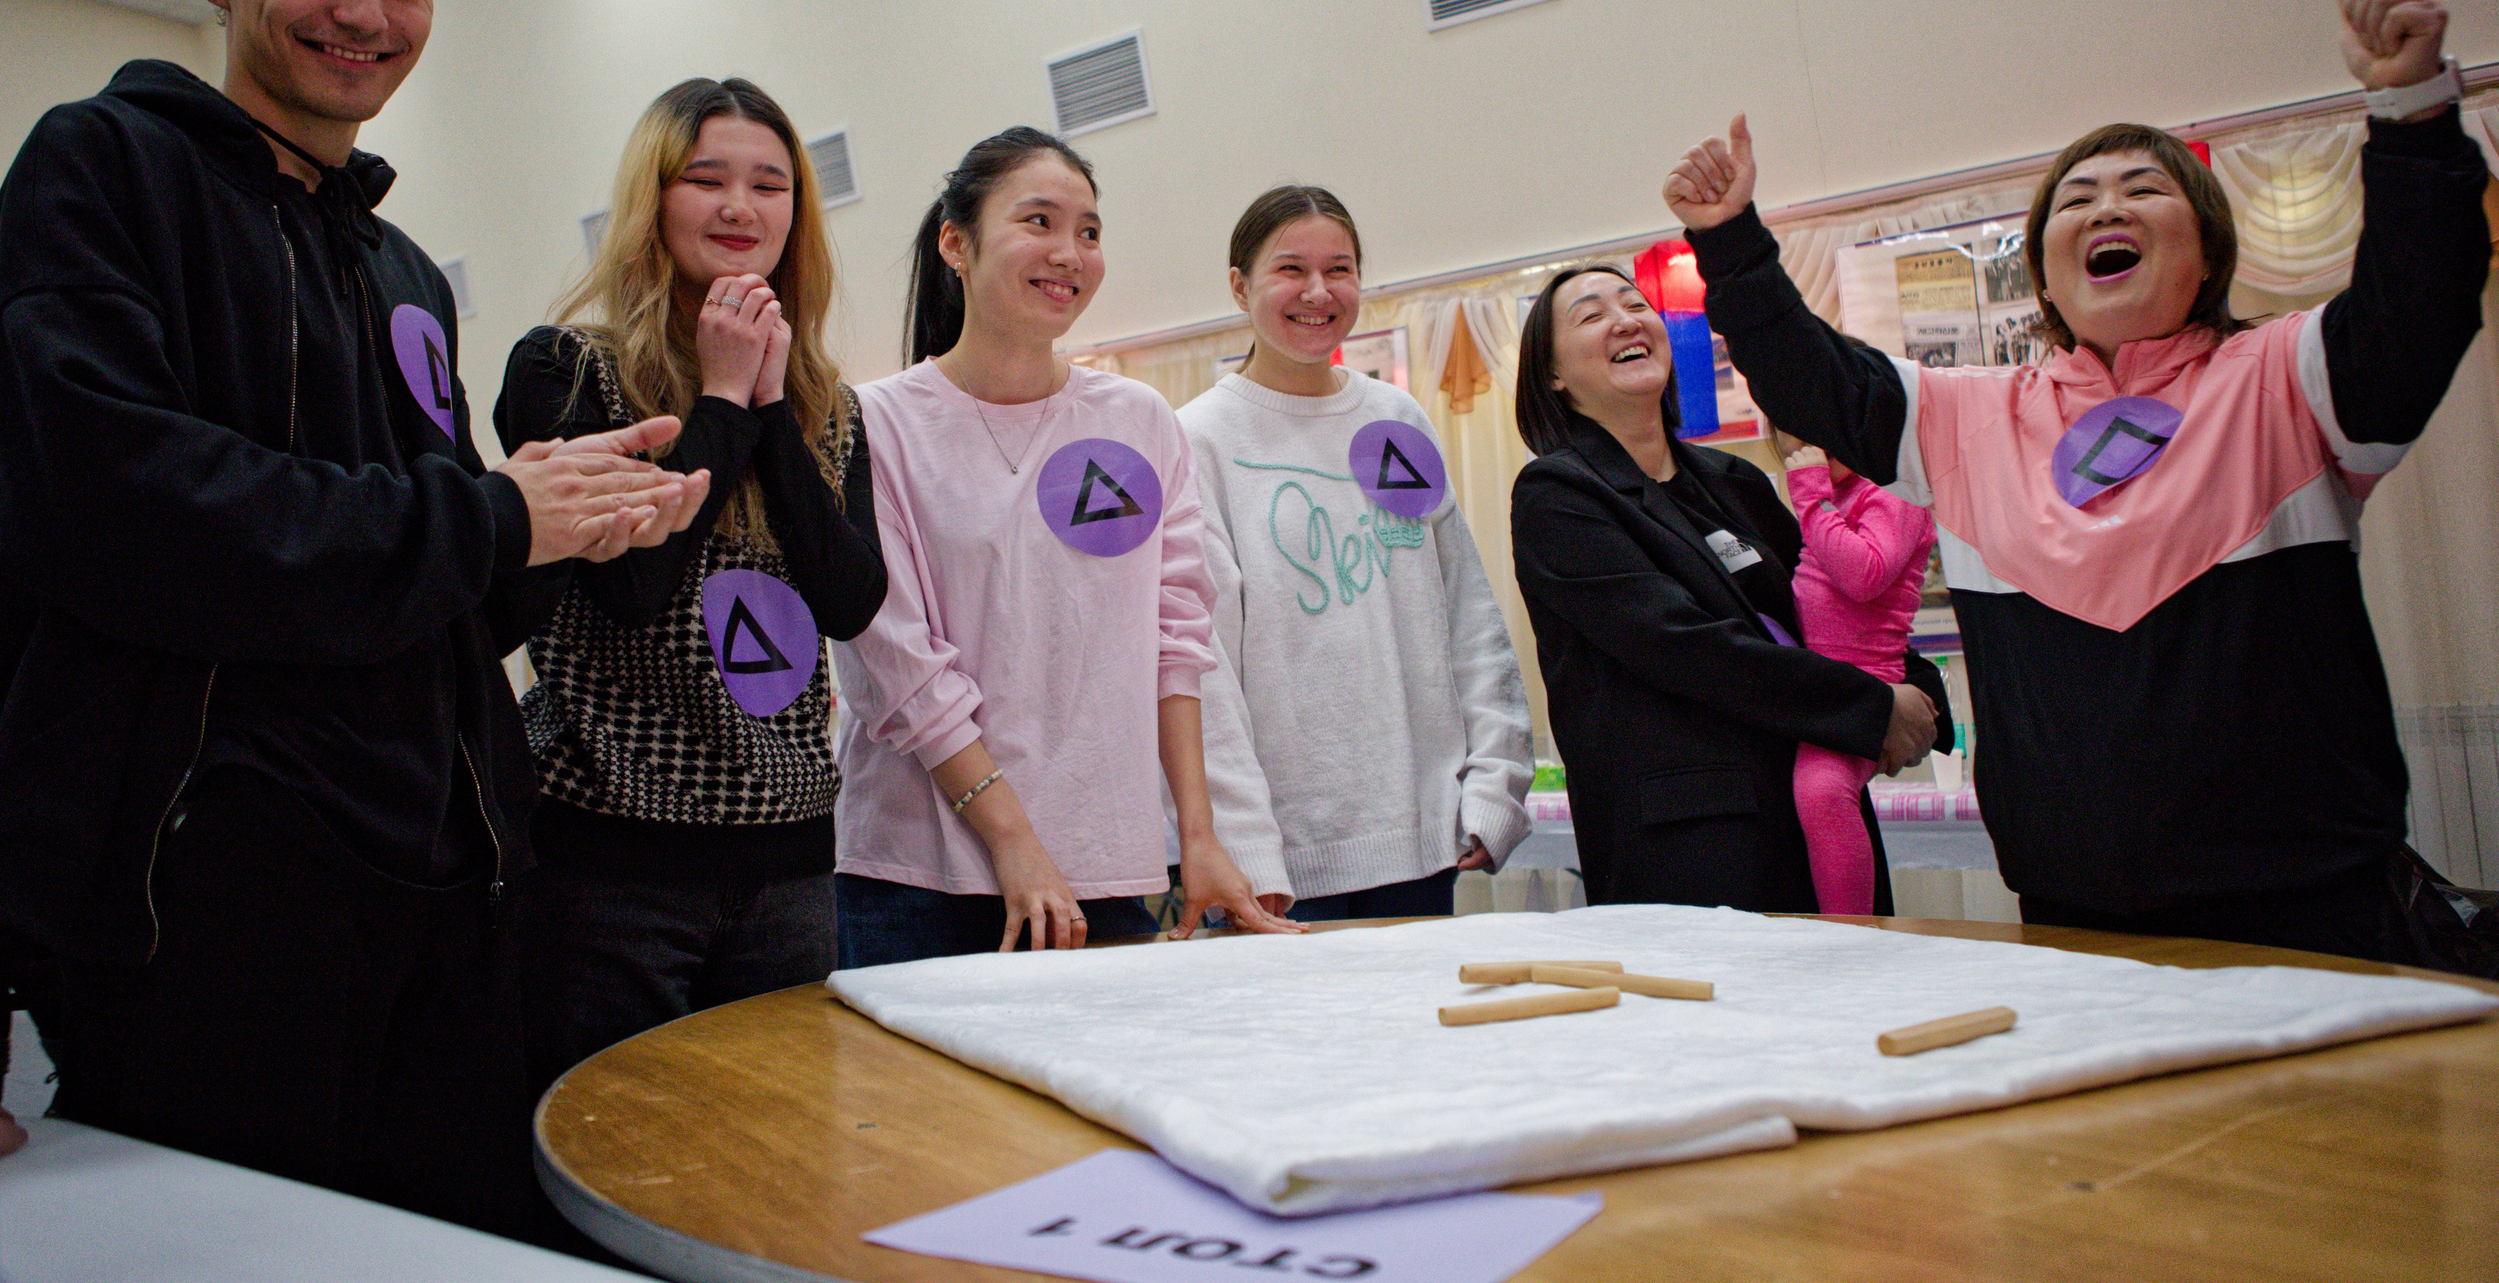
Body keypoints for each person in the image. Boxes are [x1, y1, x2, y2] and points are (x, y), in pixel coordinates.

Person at [0, 0, 705, 1235]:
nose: (365, 11)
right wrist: (487, 519)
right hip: (209, 911)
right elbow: (106, 503)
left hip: (449, 899)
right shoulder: (103, 167)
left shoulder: (402, 266)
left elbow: (438, 597)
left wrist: (562, 529)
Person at [1661, 0, 2487, 962]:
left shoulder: (2286, 377)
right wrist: (1730, 242)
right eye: (2078, 199)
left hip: (2310, 906)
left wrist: (2409, 110)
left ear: (2207, 251)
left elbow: (2420, 298)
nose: (2109, 206)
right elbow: (1810, 380)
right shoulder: (1969, 417)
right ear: (2045, 273)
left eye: (2145, 189)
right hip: (2072, 914)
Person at [495, 77, 887, 1090]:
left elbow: (847, 600)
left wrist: (766, 402)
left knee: (776, 1166)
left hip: (790, 863)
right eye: (704, 178)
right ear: (652, 200)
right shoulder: (565, 370)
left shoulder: (828, 403)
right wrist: (717, 397)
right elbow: (631, 581)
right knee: (610, 1157)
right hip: (610, 868)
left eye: (769, 183)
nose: (738, 207)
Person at [831, 128, 1297, 966]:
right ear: (955, 243)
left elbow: (1176, 638)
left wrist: (1200, 835)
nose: (1069, 252)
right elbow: (896, 663)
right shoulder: (874, 424)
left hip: (1104, 867)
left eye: (1088, 230)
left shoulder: (1138, 419)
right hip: (922, 877)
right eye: (1039, 221)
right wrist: (1012, 839)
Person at [1508, 267, 1940, 911]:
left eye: (1635, 303)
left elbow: (1822, 606)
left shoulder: (1732, 480)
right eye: (1591, 315)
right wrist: (1874, 708)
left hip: (1811, 802)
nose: (1627, 319)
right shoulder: (1558, 494)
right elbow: (1681, 644)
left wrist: (1920, 691)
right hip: (1692, 838)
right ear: (1553, 377)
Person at [1180, 185, 1533, 921]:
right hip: (1280, 863)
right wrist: (1242, 840)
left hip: (1422, 841)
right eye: (1290, 270)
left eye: (1339, 269)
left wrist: (1495, 781)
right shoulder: (1200, 437)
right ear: (1241, 286)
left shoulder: (1394, 417)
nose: (1318, 292)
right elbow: (1201, 664)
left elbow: (1468, 614)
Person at [1775, 432, 1938, 914]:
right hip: (1823, 686)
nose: (1815, 437)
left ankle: (1851, 930)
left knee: (1822, 790)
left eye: (1829, 416)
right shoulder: (1838, 496)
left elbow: (1864, 575)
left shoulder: (1892, 491)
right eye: (1794, 425)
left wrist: (1809, 498)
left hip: (1865, 683)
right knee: (1816, 794)